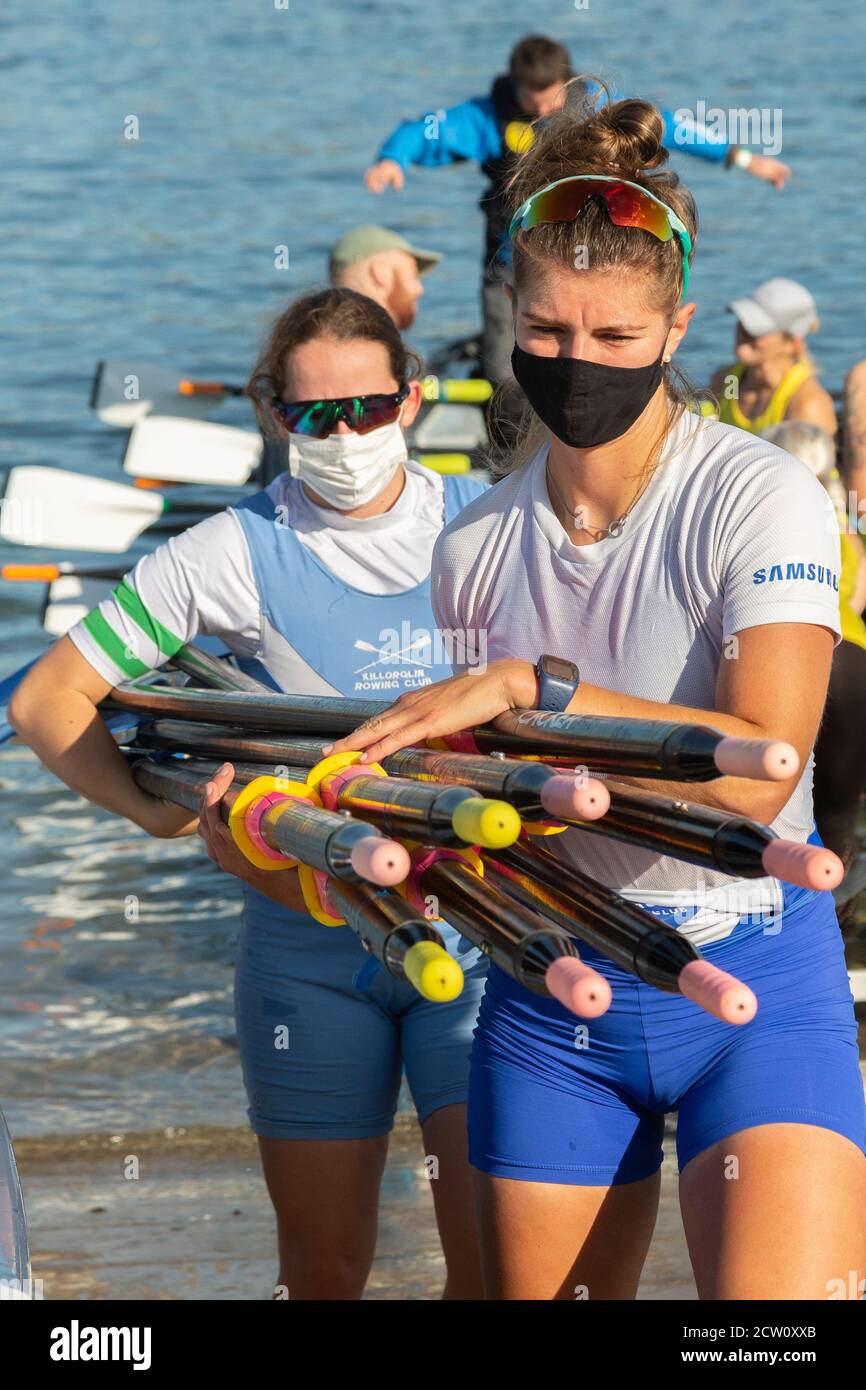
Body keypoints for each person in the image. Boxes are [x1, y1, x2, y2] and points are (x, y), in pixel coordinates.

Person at [331, 90, 866, 1300]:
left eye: (616, 338)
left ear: (675, 325)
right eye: (549, 331)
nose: (578, 362)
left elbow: (765, 755)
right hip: (557, 985)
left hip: (753, 979)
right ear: (511, 322)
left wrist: (532, 691)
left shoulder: (757, 495)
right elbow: (497, 798)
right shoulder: (469, 547)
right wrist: (387, 829)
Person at [9, 288, 490, 1301]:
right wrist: (154, 809)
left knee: (491, 1265)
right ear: (277, 417)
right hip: (306, 956)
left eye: (364, 408)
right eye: (315, 415)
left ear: (409, 401)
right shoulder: (227, 550)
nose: (343, 434)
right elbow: (51, 699)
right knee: (320, 1274)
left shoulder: (485, 522)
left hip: (478, 937)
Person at [364, 33, 791, 386]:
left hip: (591, 254)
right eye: (534, 103)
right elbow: (421, 131)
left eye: (552, 101)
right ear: (515, 88)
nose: (545, 112)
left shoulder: (595, 108)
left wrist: (747, 160)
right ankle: (514, 453)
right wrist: (392, 158)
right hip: (511, 262)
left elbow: (676, 127)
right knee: (504, 370)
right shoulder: (486, 117)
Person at [764, 420, 866, 933]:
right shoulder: (844, 524)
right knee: (841, 812)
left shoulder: (770, 516)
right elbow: (857, 599)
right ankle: (836, 928)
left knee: (782, 800)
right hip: (856, 665)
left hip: (799, 658)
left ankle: (789, 922)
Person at [708, 278, 837, 436]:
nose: (743, 331)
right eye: (743, 321)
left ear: (792, 343)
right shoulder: (728, 382)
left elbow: (811, 461)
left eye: (756, 329)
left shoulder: (806, 404)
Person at [329, 224, 442, 331]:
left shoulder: (319, 340)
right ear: (381, 273)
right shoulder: (379, 348)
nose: (420, 289)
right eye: (412, 274)